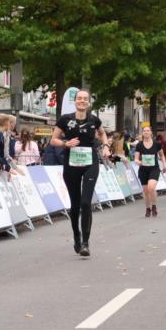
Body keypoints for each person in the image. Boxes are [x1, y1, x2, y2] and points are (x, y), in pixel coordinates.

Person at [49, 89, 110, 257]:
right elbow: (53, 140)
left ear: (88, 102)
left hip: (90, 162)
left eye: (85, 99)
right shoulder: (65, 119)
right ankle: (77, 235)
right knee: (75, 205)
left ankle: (85, 243)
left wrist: (105, 146)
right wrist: (65, 143)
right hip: (71, 164)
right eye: (79, 98)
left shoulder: (94, 120)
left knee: (85, 202)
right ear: (75, 101)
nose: (82, 101)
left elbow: (103, 134)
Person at [134, 125, 166, 217]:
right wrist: (139, 162)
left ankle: (154, 206)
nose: (146, 132)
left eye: (148, 130)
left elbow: (162, 155)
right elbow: (136, 159)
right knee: (145, 191)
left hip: (154, 169)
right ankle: (148, 208)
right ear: (142, 133)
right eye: (144, 131)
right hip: (143, 170)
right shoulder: (139, 145)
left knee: (151, 187)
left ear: (151, 133)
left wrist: (165, 165)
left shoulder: (157, 144)